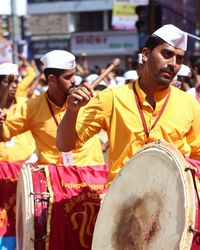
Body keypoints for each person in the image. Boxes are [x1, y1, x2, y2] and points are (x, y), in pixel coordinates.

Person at [57, 24, 200, 183]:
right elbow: (65, 145)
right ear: (145, 54)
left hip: (172, 202)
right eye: (167, 54)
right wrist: (72, 111)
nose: (174, 63)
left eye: (179, 58)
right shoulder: (112, 98)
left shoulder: (189, 104)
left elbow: (197, 157)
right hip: (121, 202)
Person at [0, 50, 104, 166]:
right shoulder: (31, 107)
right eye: (68, 77)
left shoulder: (88, 99)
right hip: (53, 179)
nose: (74, 80)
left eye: (74, 75)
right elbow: (4, 134)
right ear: (52, 79)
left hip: (90, 175)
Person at [0, 62, 36, 162]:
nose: (14, 86)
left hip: (27, 164)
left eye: (16, 82)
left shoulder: (27, 105)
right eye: (8, 82)